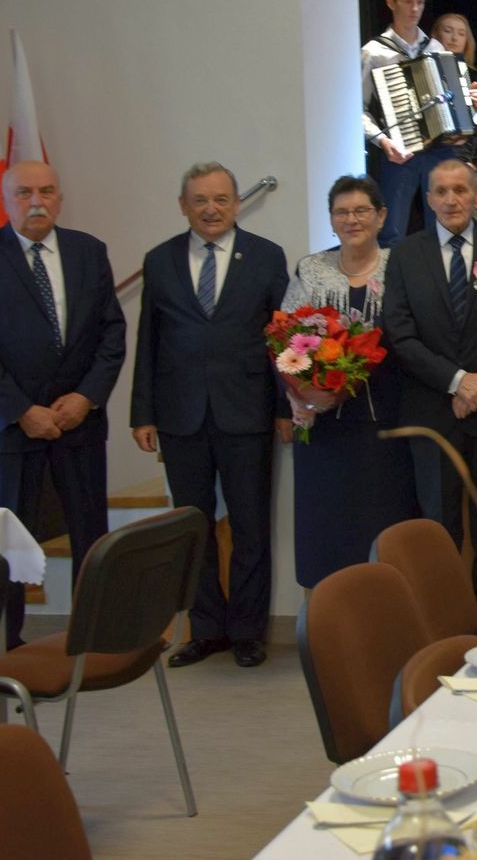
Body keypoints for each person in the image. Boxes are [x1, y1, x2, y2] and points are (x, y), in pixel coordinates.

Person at [0, 161, 125, 649]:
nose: (36, 202)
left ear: (59, 198)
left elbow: (112, 333)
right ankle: (7, 643)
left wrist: (87, 396)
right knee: (8, 543)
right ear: (6, 201)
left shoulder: (89, 252)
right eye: (24, 193)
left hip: (79, 422)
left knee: (90, 533)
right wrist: (22, 410)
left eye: (46, 191)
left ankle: (94, 636)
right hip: (11, 427)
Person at [131, 162, 289, 668]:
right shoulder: (159, 260)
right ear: (183, 206)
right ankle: (206, 630)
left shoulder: (266, 256)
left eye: (221, 199)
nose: (211, 209)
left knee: (250, 527)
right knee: (191, 528)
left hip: (248, 412)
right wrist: (142, 413)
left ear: (237, 203)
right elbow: (148, 342)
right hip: (180, 416)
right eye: (200, 200)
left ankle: (247, 631)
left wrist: (285, 408)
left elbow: (282, 339)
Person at [382, 158, 477, 635]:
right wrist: (457, 381)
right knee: (440, 531)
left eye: (460, 190)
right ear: (429, 199)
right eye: (441, 191)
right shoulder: (405, 254)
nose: (451, 199)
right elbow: (400, 334)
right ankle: (444, 631)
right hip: (432, 412)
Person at [280, 175, 417, 588]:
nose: (351, 219)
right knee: (327, 532)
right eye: (341, 212)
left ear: (381, 216)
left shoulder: (401, 266)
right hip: (324, 431)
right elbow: (285, 338)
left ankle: (388, 612)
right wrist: (305, 393)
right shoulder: (312, 269)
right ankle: (329, 615)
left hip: (387, 427)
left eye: (361, 211)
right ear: (331, 219)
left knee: (384, 529)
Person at [361, 0, 441, 244]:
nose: (415, 9)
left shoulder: (435, 48)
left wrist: (470, 101)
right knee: (391, 230)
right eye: (408, 1)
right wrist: (383, 141)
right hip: (397, 152)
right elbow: (358, 109)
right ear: (391, 3)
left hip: (436, 149)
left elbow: (450, 100)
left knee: (442, 228)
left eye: (420, 2)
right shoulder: (374, 52)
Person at [429, 11, 477, 165]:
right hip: (426, 154)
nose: (454, 38)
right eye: (448, 31)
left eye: (461, 34)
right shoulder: (423, 71)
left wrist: (475, 161)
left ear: (467, 41)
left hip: (463, 156)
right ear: (436, 35)